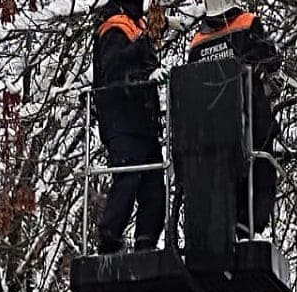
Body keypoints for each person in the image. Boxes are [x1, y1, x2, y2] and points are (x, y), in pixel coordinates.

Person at [188, 0, 283, 239]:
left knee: (229, 176)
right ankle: (249, 222)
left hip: (213, 130)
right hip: (250, 118)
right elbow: (270, 61)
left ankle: (228, 224)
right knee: (261, 170)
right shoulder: (248, 24)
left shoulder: (198, 42)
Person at [92, 0, 167, 253]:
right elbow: (115, 69)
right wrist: (145, 75)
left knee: (154, 185)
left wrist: (160, 29)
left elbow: (139, 57)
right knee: (128, 176)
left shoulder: (135, 26)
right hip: (122, 120)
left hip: (143, 121)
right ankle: (109, 235)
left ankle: (146, 240)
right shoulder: (114, 28)